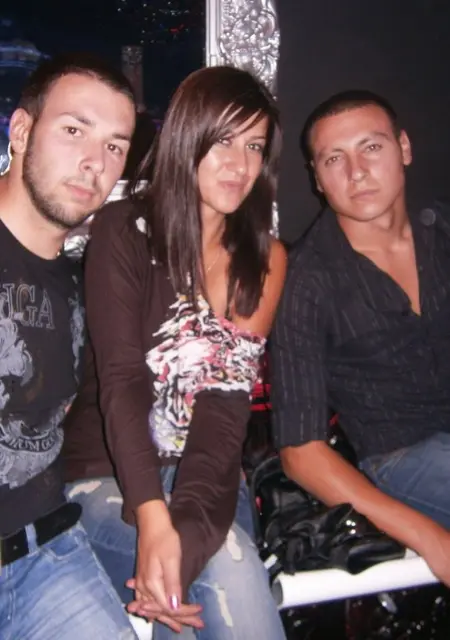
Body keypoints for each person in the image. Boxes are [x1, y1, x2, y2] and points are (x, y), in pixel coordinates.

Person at [63, 65, 287, 638]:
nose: (240, 165)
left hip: (209, 484)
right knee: (220, 577)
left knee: (213, 571)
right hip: (109, 474)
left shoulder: (262, 260)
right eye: (223, 141)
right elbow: (121, 381)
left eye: (255, 146)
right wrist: (152, 518)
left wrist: (178, 544)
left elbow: (224, 410)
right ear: (188, 137)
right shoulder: (124, 228)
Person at [271, 89, 450, 587]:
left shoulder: (444, 232)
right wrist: (433, 540)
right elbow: (300, 451)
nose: (357, 172)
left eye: (371, 147)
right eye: (334, 158)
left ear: (404, 148)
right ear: (317, 178)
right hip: (401, 457)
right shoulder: (306, 280)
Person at [0, 53, 138, 639]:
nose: (94, 162)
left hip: (46, 554)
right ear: (21, 131)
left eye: (115, 145)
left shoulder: (83, 283)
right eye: (75, 130)